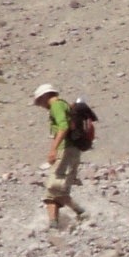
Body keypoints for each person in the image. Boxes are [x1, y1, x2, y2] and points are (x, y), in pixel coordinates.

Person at [33, 82, 85, 229]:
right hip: (72, 151)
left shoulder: (56, 106)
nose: (40, 105)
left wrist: (53, 149)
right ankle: (55, 225)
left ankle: (80, 212)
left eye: (39, 101)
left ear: (45, 96)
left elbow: (63, 126)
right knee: (55, 193)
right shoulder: (64, 105)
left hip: (65, 150)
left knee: (53, 189)